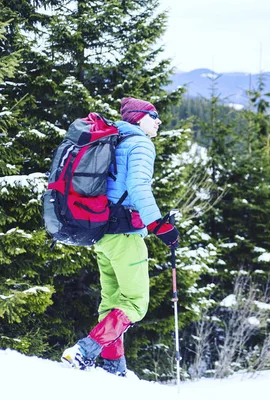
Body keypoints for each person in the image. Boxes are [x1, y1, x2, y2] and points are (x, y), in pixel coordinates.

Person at [61, 97, 180, 376]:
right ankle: (84, 350)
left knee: (113, 301)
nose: (158, 121)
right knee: (136, 303)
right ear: (139, 118)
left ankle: (113, 367)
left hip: (103, 235)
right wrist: (157, 225)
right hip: (125, 235)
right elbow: (138, 186)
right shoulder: (140, 144)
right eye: (154, 116)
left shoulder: (115, 140)